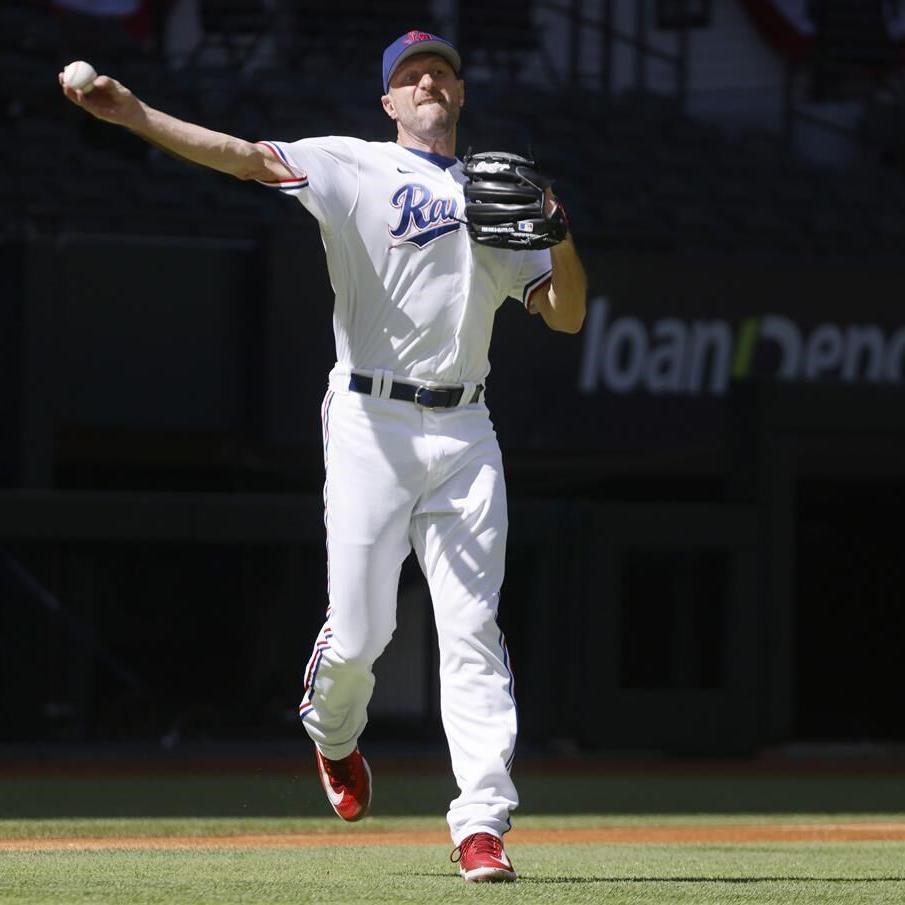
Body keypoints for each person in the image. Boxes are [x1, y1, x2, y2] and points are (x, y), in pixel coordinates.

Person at [60, 29, 587, 883]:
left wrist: (559, 232)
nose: (428, 82)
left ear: (459, 94)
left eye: (442, 72)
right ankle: (331, 732)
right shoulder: (352, 164)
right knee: (361, 634)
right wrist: (132, 115)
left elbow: (564, 315)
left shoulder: (496, 193)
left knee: (472, 632)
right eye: (411, 75)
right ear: (388, 102)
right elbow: (239, 158)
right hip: (369, 419)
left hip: (465, 430)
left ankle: (481, 822)